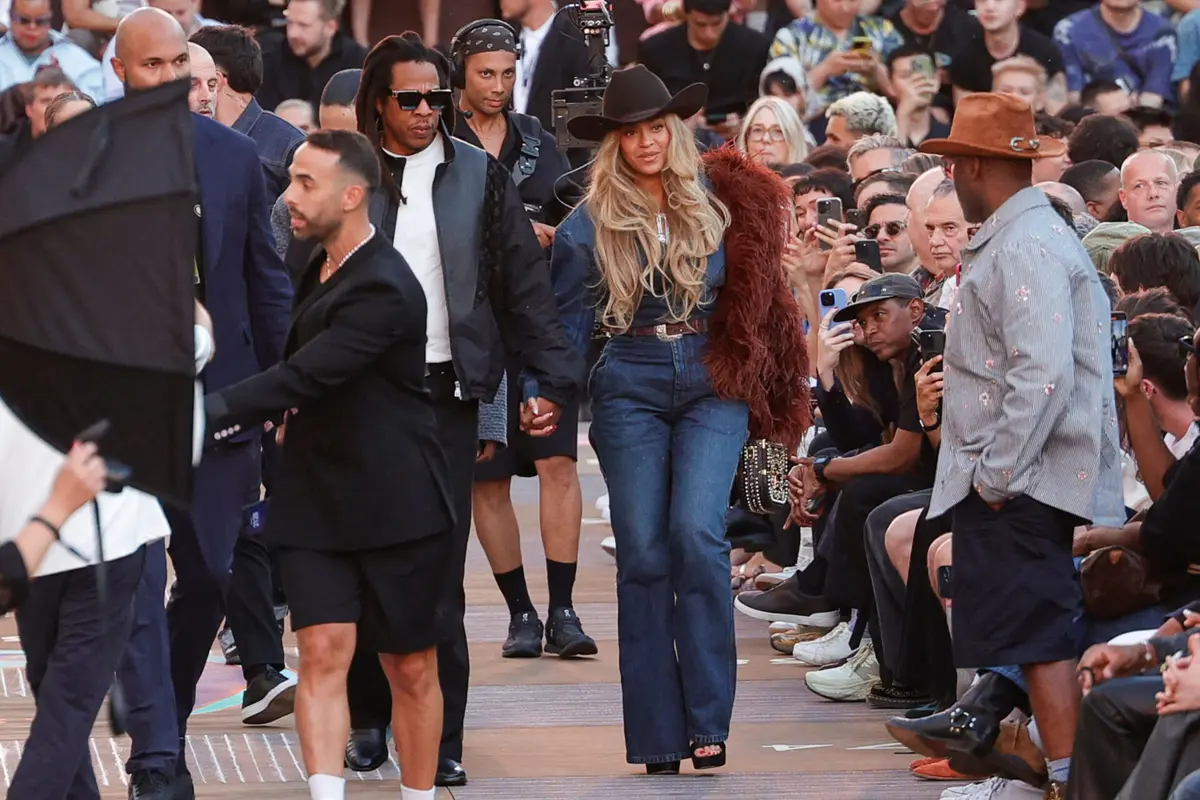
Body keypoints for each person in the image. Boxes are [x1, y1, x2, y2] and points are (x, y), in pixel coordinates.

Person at [315, 33, 581, 787]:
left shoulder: (481, 177)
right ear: (378, 103)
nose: (428, 110)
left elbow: (523, 291)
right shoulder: (341, 175)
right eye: (411, 99)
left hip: (447, 395)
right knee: (364, 564)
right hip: (358, 396)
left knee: (436, 572)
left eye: (437, 97)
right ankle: (368, 722)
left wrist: (549, 384)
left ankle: (445, 736)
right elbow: (296, 283)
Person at [552, 64, 809, 773]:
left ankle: (707, 723)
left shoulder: (722, 199)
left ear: (676, 130)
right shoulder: (589, 222)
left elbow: (763, 299)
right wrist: (544, 398)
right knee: (642, 554)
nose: (645, 143)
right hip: (628, 377)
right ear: (614, 143)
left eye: (655, 128)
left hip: (710, 374)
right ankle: (657, 736)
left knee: (696, 538)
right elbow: (568, 326)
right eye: (630, 133)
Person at [205, 128, 452, 800]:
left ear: (353, 194)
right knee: (319, 652)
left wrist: (205, 411)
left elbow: (304, 376)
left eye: (305, 183)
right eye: (290, 179)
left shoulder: (386, 288)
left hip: (395, 504)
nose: (288, 196)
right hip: (314, 500)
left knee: (408, 666)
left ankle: (419, 794)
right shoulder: (314, 261)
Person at [108, 9, 295, 799]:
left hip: (221, 403)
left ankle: (163, 716)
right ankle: (156, 757)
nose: (168, 79)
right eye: (151, 67)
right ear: (120, 72)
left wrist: (284, 386)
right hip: (122, 407)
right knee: (135, 578)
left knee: (214, 577)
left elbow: (266, 279)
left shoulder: (233, 157)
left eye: (177, 66)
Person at [919, 92, 1122, 797]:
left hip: (1025, 477)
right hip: (1026, 473)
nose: (953, 178)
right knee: (1034, 640)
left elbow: (1041, 370)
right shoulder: (1018, 234)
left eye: (955, 165)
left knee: (1040, 639)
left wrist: (997, 473)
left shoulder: (1028, 240)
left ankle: (1069, 782)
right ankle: (1057, 774)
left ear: (975, 164)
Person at [446, 19, 594, 660]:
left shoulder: (536, 138)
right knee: (488, 474)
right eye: (486, 73)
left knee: (559, 461)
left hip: (539, 324)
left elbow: (578, 215)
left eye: (508, 73)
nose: (499, 86)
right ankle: (521, 612)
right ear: (461, 76)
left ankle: (563, 610)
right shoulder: (441, 141)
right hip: (471, 331)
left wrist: (549, 235)